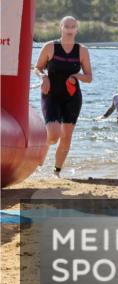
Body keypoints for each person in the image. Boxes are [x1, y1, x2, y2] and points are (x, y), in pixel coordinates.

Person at [33, 16, 93, 176]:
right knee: (53, 135)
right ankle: (39, 155)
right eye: (66, 26)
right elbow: (37, 68)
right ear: (61, 27)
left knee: (66, 136)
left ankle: (56, 172)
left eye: (73, 27)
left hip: (72, 97)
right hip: (51, 94)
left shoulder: (82, 50)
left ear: (76, 30)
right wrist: (43, 77)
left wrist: (76, 76)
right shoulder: (49, 47)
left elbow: (89, 77)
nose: (69, 29)